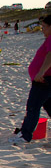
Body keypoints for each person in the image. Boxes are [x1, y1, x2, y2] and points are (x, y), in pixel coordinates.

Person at [9, 15, 51, 144]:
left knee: (33, 106)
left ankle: (25, 135)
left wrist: (41, 72)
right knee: (48, 105)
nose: (42, 29)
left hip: (44, 79)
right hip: (46, 79)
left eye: (44, 27)